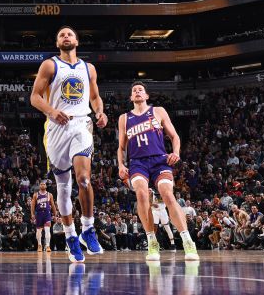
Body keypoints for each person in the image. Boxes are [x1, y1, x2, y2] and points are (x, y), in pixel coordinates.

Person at [29, 26, 108, 263]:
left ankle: (88, 228)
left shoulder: (88, 68)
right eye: (61, 34)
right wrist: (52, 111)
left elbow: (94, 97)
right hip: (55, 129)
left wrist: (100, 112)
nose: (66, 36)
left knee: (84, 179)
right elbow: (34, 97)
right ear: (57, 43)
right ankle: (70, 235)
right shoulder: (50, 65)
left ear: (77, 40)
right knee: (63, 187)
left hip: (81, 124)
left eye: (70, 34)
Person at [118, 82, 199, 263]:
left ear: (146, 96)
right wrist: (120, 165)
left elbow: (175, 136)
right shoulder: (124, 118)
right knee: (141, 193)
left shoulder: (158, 111)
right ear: (131, 98)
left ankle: (187, 241)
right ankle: (151, 241)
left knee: (167, 195)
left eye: (140, 90)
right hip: (137, 162)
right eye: (134, 90)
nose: (137, 91)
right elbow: (121, 147)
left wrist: (176, 153)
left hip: (159, 160)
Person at [30, 180, 55, 253]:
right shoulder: (35, 194)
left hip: (47, 213)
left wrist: (55, 213)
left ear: (46, 186)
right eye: (41, 184)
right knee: (38, 231)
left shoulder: (49, 195)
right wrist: (32, 214)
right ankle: (39, 245)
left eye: (44, 184)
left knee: (47, 230)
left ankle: (47, 246)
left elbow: (53, 205)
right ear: (39, 186)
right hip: (39, 214)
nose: (42, 185)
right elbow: (32, 205)